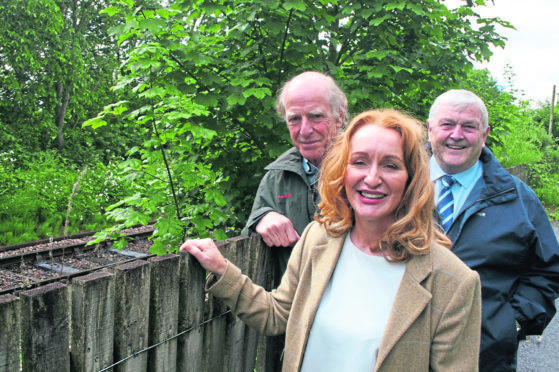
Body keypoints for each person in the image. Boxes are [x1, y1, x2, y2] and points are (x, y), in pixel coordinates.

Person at [181, 109, 482, 371]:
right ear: (343, 171)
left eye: (390, 165)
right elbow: (277, 315)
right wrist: (222, 270)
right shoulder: (319, 239)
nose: (372, 178)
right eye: (360, 162)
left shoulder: (453, 282)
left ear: (412, 178)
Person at [427, 89, 559, 371]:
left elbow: (548, 269)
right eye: (447, 124)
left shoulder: (517, 198)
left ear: (484, 134)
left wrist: (509, 323)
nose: (457, 134)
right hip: (401, 351)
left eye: (469, 126)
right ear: (430, 129)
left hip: (483, 356)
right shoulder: (398, 186)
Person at [242, 71, 347, 276]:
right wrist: (261, 218)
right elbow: (247, 250)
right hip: (294, 305)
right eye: (294, 119)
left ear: (339, 117)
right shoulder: (276, 178)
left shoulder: (366, 171)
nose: (304, 130)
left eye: (316, 116)